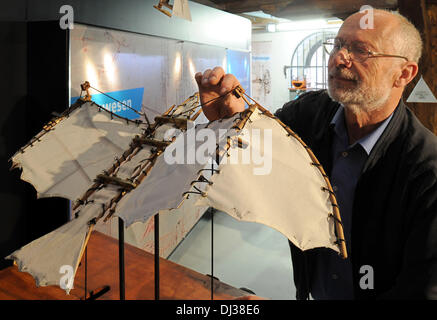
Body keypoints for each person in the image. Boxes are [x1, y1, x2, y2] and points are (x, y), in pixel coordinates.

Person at [194, 9, 437, 300]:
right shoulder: (309, 113)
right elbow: (260, 150)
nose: (338, 59)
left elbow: (422, 291)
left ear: (404, 73)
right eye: (337, 45)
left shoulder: (426, 171)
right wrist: (231, 120)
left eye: (361, 50)